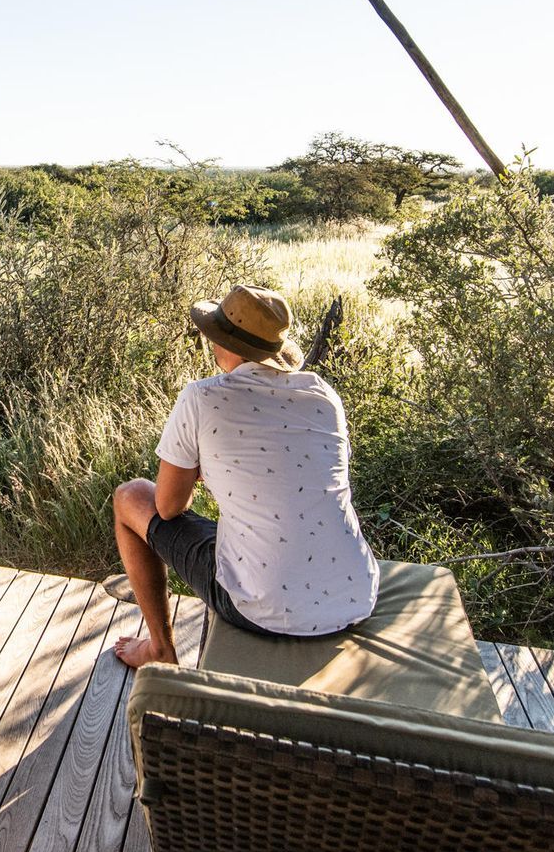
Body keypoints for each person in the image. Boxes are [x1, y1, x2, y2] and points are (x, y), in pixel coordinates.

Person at [112, 284, 379, 668]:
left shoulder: (201, 398)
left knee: (130, 496)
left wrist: (200, 471)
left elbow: (169, 508)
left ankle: (160, 650)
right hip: (355, 593)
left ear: (227, 345)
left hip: (263, 606)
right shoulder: (322, 394)